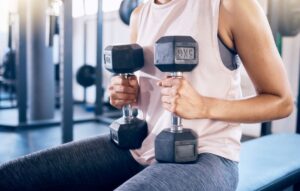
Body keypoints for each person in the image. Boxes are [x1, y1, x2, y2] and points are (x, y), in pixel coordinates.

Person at [0, 0, 294, 190]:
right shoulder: (140, 15)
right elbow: (142, 94)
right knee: (14, 177)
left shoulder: (229, 6)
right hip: (138, 148)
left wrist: (204, 106)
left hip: (207, 157)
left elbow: (280, 101)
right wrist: (124, 94)